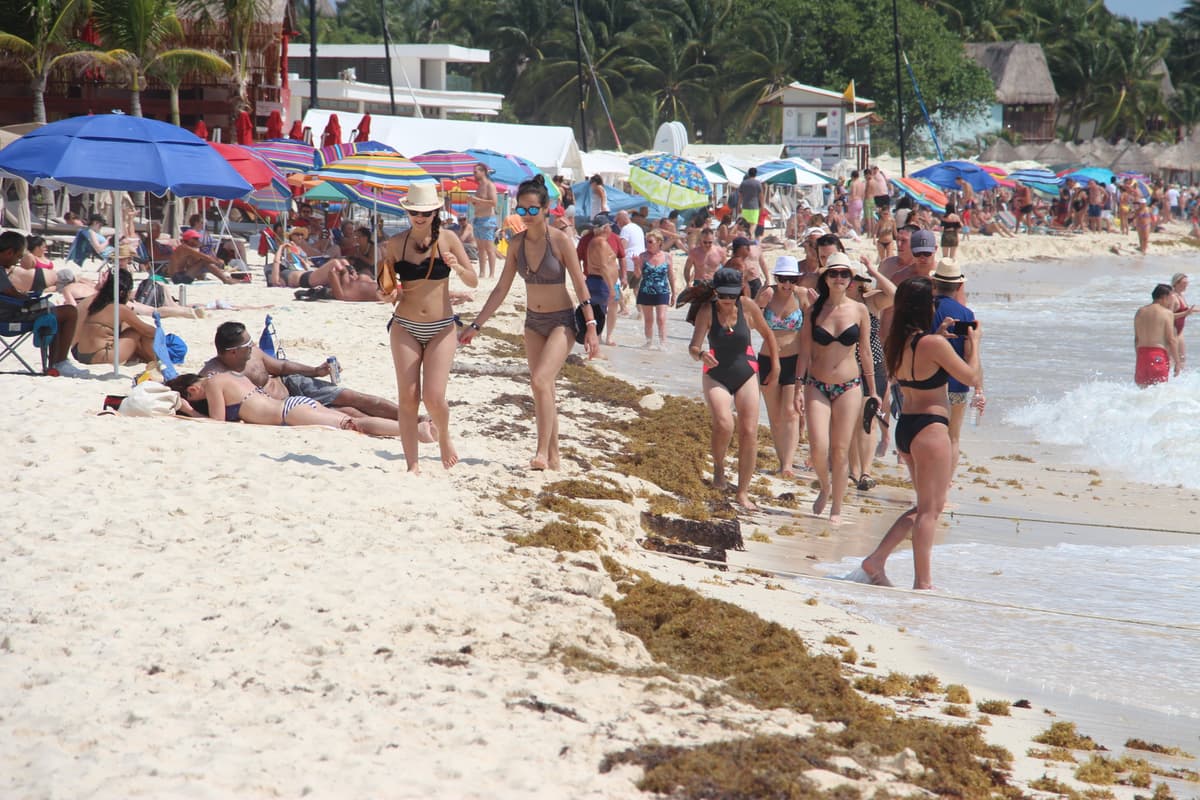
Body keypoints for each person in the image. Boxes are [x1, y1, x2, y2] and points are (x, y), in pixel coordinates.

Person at [459, 174, 599, 470]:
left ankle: (541, 453)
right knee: (544, 389)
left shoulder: (559, 241)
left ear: (546, 209)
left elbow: (580, 284)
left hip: (562, 322)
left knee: (540, 381)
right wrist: (476, 325)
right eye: (521, 209)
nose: (527, 214)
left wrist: (591, 326)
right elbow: (501, 289)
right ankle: (554, 456)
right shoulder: (516, 243)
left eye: (533, 209)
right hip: (533, 322)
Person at [857, 276, 982, 589]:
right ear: (925, 307)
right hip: (931, 428)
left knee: (927, 506)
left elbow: (919, 364)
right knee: (929, 511)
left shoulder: (897, 343)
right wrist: (974, 345)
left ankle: (877, 560)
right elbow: (970, 377)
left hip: (907, 427)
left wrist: (938, 336)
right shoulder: (933, 345)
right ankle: (922, 582)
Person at [382, 182, 479, 471]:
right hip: (405, 325)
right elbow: (384, 287)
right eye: (414, 212)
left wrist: (456, 266)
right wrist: (388, 294)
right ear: (407, 212)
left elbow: (473, 280)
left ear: (435, 212)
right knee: (408, 397)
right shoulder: (395, 243)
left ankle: (444, 436)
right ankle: (412, 464)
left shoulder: (448, 239)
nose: (419, 217)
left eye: (425, 212)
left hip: (442, 327)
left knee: (434, 397)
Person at [795, 252, 879, 525]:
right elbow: (804, 353)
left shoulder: (859, 310)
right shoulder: (813, 311)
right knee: (818, 447)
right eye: (834, 273)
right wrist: (797, 388)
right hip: (816, 385)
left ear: (851, 279)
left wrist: (873, 391)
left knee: (841, 450)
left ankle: (837, 509)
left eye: (844, 274)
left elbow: (865, 352)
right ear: (826, 278)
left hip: (850, 386)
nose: (839, 278)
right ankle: (825, 486)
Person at [688, 267, 778, 510]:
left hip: (746, 372)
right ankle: (719, 468)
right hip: (716, 374)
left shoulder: (747, 306)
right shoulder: (706, 310)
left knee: (749, 431)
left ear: (739, 291)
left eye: (732, 295)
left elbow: (768, 335)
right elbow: (693, 346)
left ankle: (742, 492)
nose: (728, 300)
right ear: (715, 292)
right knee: (724, 423)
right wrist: (701, 354)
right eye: (723, 295)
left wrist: (776, 366)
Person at [200, 321, 409, 423]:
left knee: (355, 397)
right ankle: (400, 428)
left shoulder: (253, 353)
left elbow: (281, 367)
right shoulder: (214, 373)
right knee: (349, 413)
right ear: (233, 352)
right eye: (248, 344)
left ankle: (414, 419)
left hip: (291, 384)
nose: (253, 346)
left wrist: (316, 371)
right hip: (284, 406)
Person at [168, 372, 400, 435]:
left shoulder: (212, 384)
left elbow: (217, 422)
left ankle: (413, 431)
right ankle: (410, 429)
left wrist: (189, 411)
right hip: (294, 404)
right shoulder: (231, 376)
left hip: (288, 413)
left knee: (353, 424)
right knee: (351, 420)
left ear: (192, 390)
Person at [0, 231, 85, 376]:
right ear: (9, 252)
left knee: (54, 311)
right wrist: (28, 298)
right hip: (10, 319)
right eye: (18, 257)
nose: (17, 262)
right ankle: (60, 363)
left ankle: (56, 364)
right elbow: (11, 294)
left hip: (8, 314)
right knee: (69, 312)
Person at [755, 255, 811, 477]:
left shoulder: (802, 295)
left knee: (791, 411)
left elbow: (814, 325)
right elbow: (750, 323)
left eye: (792, 279)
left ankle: (788, 464)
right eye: (782, 279)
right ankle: (781, 461)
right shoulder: (767, 295)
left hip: (794, 359)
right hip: (768, 360)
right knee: (775, 415)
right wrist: (760, 304)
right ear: (776, 278)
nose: (787, 284)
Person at [929, 259, 984, 477]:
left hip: (928, 382)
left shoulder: (925, 309)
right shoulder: (966, 315)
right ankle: (945, 482)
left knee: (928, 433)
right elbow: (971, 356)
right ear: (959, 286)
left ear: (934, 282)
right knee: (952, 436)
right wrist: (979, 388)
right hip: (957, 383)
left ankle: (926, 478)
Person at [847, 255, 896, 487]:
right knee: (850, 420)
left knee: (869, 418)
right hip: (845, 366)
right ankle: (853, 471)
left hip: (874, 365)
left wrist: (873, 272)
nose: (849, 282)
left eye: (854, 278)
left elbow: (895, 294)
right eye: (846, 277)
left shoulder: (872, 301)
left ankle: (865, 473)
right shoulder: (834, 303)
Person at [70, 268, 159, 366]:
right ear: (122, 293)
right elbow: (147, 331)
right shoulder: (120, 309)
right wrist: (158, 331)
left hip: (80, 354)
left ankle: (148, 359)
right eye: (129, 292)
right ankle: (154, 361)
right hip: (101, 355)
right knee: (135, 331)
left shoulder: (96, 303)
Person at [582, 214, 622, 346]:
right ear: (605, 228)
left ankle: (599, 341)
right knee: (599, 314)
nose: (611, 229)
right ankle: (595, 344)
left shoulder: (596, 241)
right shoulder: (601, 242)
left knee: (601, 312)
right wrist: (611, 288)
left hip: (603, 281)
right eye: (610, 227)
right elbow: (604, 266)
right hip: (601, 282)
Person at [633, 229, 676, 350]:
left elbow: (671, 276)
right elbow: (638, 275)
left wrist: (674, 293)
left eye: (650, 242)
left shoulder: (667, 257)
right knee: (648, 320)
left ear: (659, 242)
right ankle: (649, 343)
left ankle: (663, 344)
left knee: (661, 318)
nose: (648, 244)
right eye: (647, 241)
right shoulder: (643, 256)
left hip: (662, 291)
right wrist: (636, 264)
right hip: (646, 291)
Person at [1134, 284, 1181, 388]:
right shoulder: (1166, 313)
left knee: (1142, 391)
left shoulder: (1140, 311)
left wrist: (1139, 358)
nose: (1172, 301)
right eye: (1171, 297)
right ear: (1164, 297)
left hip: (1141, 355)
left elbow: (1137, 340)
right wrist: (1177, 363)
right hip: (1157, 354)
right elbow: (1171, 340)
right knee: (1159, 391)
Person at [168, 229, 236, 284]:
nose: (198, 240)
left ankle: (224, 278)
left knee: (200, 262)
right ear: (189, 239)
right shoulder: (184, 248)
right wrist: (218, 262)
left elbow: (193, 263)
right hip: (179, 278)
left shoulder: (185, 249)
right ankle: (225, 280)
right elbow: (206, 258)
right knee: (204, 261)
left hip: (179, 277)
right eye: (196, 238)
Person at [471, 163, 499, 279]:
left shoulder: (489, 185)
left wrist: (477, 200)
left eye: (475, 172)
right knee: (480, 249)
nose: (474, 174)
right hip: (478, 219)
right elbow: (481, 202)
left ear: (483, 172)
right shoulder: (479, 186)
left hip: (487, 219)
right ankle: (482, 272)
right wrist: (473, 201)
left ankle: (492, 274)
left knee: (489, 248)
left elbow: (494, 202)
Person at [616, 210, 645, 316]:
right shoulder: (638, 228)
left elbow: (622, 247)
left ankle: (623, 308)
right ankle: (641, 311)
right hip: (640, 262)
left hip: (628, 262)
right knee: (636, 287)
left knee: (614, 284)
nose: (617, 223)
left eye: (618, 220)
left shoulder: (625, 229)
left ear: (623, 219)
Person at [1170, 272, 1196, 366]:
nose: (1186, 285)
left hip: (1180, 331)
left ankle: (1180, 376)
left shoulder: (1180, 295)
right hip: (1172, 331)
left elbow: (1187, 309)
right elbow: (1168, 316)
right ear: (1176, 283)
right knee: (1172, 360)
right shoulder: (1173, 297)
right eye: (1184, 283)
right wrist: (1185, 313)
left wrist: (1190, 311)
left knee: (1182, 359)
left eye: (1187, 283)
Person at [736, 167, 764, 238]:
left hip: (745, 207)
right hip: (754, 207)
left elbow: (740, 196)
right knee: (753, 224)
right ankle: (750, 236)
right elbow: (761, 196)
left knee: (745, 225)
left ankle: (747, 237)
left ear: (748, 173)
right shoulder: (758, 183)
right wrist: (762, 207)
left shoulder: (743, 183)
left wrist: (738, 206)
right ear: (756, 174)